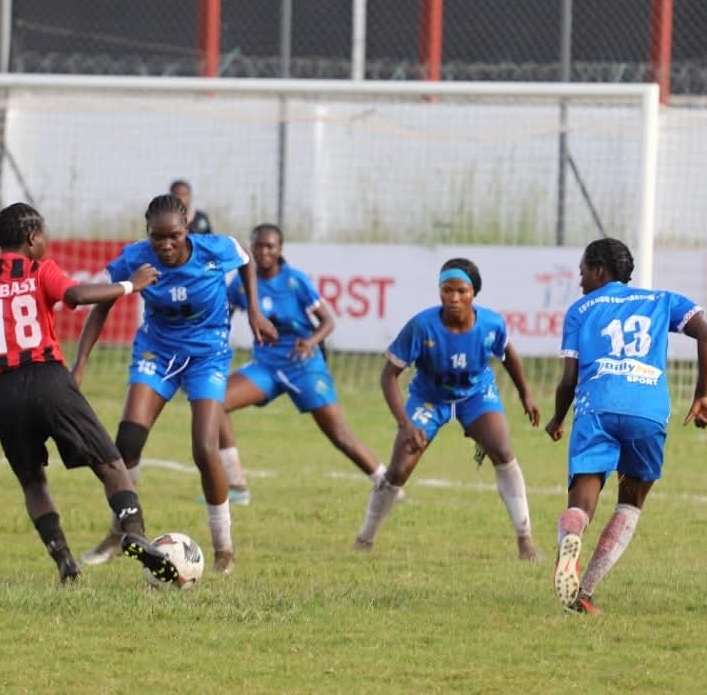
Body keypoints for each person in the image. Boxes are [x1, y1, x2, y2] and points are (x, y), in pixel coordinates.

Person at [0, 202, 178, 587]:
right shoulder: (40, 270)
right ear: (31, 237)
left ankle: (64, 560)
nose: (47, 242)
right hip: (49, 380)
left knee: (33, 481)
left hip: (3, 394)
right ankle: (135, 533)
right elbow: (76, 296)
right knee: (110, 464)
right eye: (44, 235)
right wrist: (130, 285)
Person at [70, 193, 276, 575]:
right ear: (147, 233)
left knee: (204, 448)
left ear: (187, 231)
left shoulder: (214, 250)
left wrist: (254, 313)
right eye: (157, 237)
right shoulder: (135, 259)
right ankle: (121, 532)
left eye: (174, 237)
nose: (165, 245)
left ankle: (224, 549)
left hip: (207, 355)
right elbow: (101, 307)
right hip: (157, 351)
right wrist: (80, 363)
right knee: (127, 445)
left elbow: (246, 258)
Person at [544, 237, 707, 616]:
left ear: (599, 270)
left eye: (583, 272)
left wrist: (558, 417)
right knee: (630, 503)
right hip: (647, 410)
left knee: (581, 503)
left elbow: (569, 379)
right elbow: (706, 333)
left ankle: (572, 534)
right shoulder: (662, 300)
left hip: (597, 407)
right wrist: (702, 394)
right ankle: (585, 590)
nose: (581, 280)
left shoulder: (581, 309)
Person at [353, 256, 541, 559]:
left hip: (475, 395)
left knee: (503, 451)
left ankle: (525, 539)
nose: (453, 298)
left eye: (461, 291)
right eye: (447, 290)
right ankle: (365, 539)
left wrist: (525, 395)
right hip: (429, 399)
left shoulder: (491, 323)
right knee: (398, 470)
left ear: (474, 293)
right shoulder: (422, 326)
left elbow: (508, 354)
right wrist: (405, 424)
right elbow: (388, 376)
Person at [212, 223, 390, 504]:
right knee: (216, 402)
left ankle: (388, 484)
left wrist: (310, 342)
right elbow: (223, 317)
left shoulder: (295, 281)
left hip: (302, 364)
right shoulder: (241, 283)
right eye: (258, 246)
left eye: (270, 246)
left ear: (280, 249)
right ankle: (237, 486)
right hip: (266, 366)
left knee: (340, 435)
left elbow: (328, 322)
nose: (264, 251)